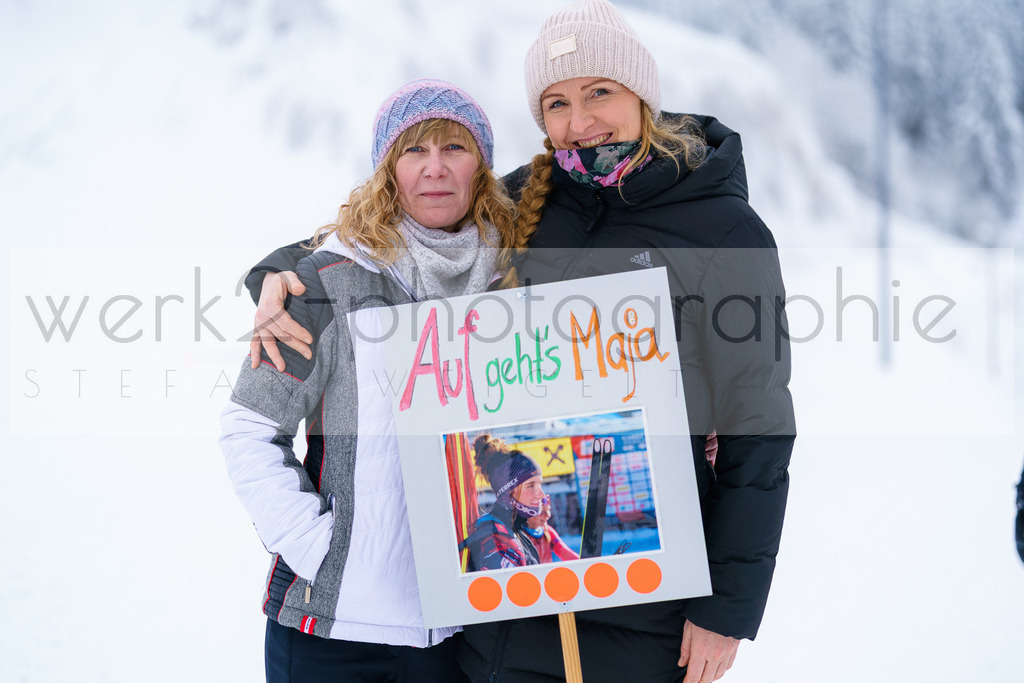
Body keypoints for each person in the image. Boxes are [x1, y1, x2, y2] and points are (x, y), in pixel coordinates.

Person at [245, 1, 795, 681]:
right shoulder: (526, 203)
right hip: (502, 604)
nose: (580, 119)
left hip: (643, 601)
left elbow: (759, 431)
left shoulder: (724, 231)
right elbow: (390, 227)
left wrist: (728, 610)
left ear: (642, 95)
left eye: (600, 91)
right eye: (557, 102)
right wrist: (278, 272)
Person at [219, 78, 516, 682]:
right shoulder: (329, 281)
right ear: (388, 170)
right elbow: (248, 427)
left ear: (482, 168)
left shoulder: (512, 282)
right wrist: (317, 548)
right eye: (414, 151)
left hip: (454, 633)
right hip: (331, 629)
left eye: (454, 149)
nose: (435, 169)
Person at [461, 435, 546, 571]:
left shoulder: (512, 530)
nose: (541, 494)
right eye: (531, 485)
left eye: (540, 484)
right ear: (507, 492)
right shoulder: (497, 539)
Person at [524, 496, 581, 564]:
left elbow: (565, 553)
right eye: (542, 512)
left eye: (548, 510)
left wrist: (585, 563)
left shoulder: (547, 531)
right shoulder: (519, 536)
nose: (548, 515)